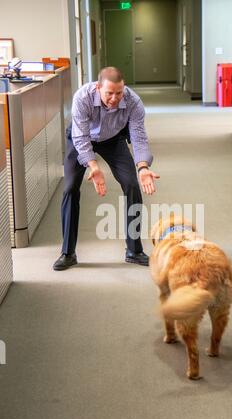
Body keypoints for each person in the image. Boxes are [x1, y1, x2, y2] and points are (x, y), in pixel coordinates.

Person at [53, 67, 159, 271]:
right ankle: (68, 252)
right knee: (70, 188)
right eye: (109, 93)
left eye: (119, 93)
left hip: (113, 139)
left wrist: (143, 167)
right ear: (98, 87)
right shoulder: (82, 97)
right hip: (80, 139)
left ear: (124, 88)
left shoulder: (133, 101)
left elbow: (138, 136)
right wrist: (92, 165)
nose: (114, 98)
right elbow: (81, 137)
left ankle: (134, 250)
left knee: (132, 184)